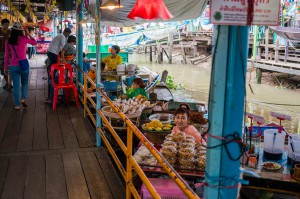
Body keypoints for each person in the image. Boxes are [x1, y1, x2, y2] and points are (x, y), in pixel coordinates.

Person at [4, 22, 37, 110]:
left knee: (16, 85)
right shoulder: (24, 38)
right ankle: (23, 98)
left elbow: (6, 55)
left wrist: (5, 67)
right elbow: (34, 42)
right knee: (25, 83)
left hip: (13, 66)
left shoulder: (8, 41)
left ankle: (17, 105)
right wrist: (28, 34)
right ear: (21, 31)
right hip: (24, 65)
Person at [45, 28, 71, 103]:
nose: (67, 36)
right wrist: (64, 57)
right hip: (53, 53)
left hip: (50, 52)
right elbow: (62, 48)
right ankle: (53, 78)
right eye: (68, 34)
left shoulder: (59, 36)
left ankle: (52, 76)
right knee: (54, 68)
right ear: (65, 32)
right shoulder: (62, 37)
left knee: (52, 66)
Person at [0, 18, 12, 89]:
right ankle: (7, 82)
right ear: (2, 25)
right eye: (6, 25)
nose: (7, 26)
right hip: (1, 52)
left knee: (9, 68)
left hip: (9, 52)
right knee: (2, 68)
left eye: (8, 25)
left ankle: (9, 83)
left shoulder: (10, 32)